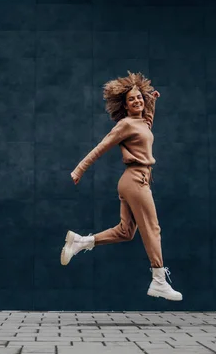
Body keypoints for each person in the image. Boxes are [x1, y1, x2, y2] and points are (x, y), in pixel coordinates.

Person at [61, 71, 182, 301]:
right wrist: (79, 169)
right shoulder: (125, 124)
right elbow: (101, 147)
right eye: (132, 100)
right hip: (135, 180)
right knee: (152, 228)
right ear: (125, 106)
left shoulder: (142, 122)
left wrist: (152, 100)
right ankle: (158, 279)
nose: (137, 101)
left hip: (136, 181)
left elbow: (147, 124)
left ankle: (80, 242)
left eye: (139, 98)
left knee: (126, 232)